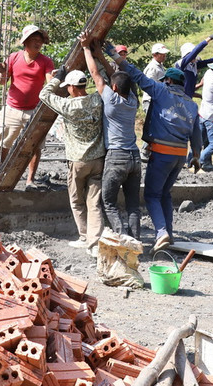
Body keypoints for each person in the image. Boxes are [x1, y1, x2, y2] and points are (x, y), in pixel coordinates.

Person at [104, 42, 200, 253]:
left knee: (151, 195)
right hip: (180, 155)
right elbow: (196, 133)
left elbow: (137, 75)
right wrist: (197, 156)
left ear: (167, 80)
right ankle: (169, 234)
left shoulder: (161, 90)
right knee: (165, 193)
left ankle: (161, 232)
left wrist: (113, 54)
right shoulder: (192, 104)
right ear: (182, 84)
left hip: (162, 152)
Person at [38, 66, 106, 257]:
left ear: (74, 88)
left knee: (77, 200)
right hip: (98, 158)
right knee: (94, 202)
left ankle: (84, 237)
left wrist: (56, 79)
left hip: (77, 161)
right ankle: (95, 242)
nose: (67, 89)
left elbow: (44, 94)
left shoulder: (68, 106)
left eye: (68, 86)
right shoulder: (97, 100)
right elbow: (103, 82)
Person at [80, 33, 141, 239]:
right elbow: (116, 77)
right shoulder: (132, 100)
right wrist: (102, 56)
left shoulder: (111, 100)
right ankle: (135, 242)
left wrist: (86, 48)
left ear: (113, 88)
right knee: (133, 205)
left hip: (117, 157)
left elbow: (94, 72)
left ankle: (122, 238)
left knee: (109, 202)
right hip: (135, 157)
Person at [0, 25, 54, 187]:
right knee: (3, 143)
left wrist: (55, 80)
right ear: (26, 42)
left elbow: (50, 81)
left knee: (35, 145)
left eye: (40, 41)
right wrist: (2, 73)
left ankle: (30, 180)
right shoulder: (14, 58)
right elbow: (3, 82)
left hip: (34, 110)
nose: (38, 43)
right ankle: (4, 172)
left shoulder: (45, 61)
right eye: (34, 40)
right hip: (12, 109)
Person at [175, 32, 213, 98]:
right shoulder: (181, 64)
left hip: (187, 100)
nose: (194, 56)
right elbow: (195, 52)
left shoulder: (194, 65)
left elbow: (210, 61)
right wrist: (209, 38)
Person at [141, 43, 170, 116]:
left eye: (164, 54)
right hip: (151, 101)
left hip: (158, 100)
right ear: (154, 55)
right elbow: (149, 85)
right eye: (161, 54)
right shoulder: (152, 68)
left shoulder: (160, 65)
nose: (164, 56)